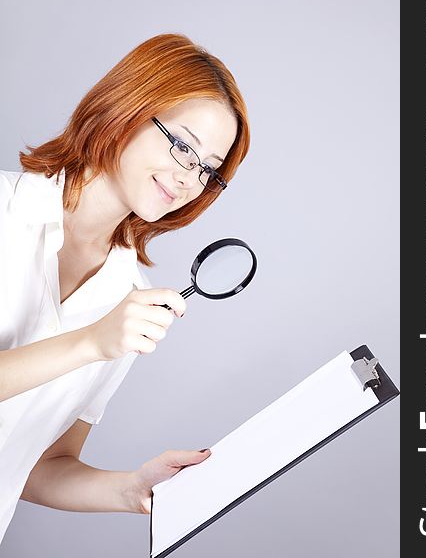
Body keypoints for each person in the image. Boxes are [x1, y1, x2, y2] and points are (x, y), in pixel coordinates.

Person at [0, 32, 250, 544]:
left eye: (208, 170)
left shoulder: (128, 298)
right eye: (184, 146)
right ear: (128, 107)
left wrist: (130, 489)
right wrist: (91, 341)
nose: (188, 178)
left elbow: (40, 463)